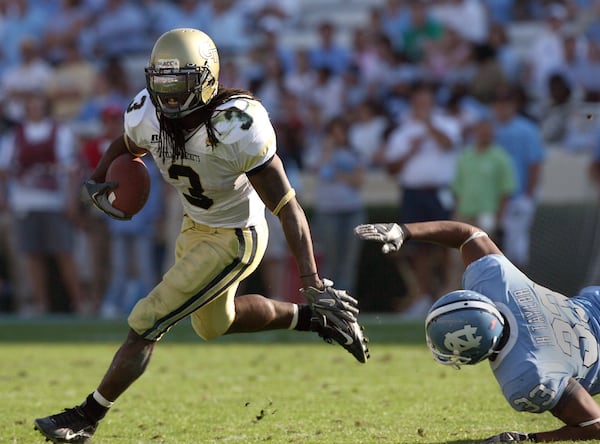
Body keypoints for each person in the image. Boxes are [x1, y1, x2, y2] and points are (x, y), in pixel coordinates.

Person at [33, 28, 369, 444]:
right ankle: (314, 320)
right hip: (194, 225)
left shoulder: (237, 125)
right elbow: (127, 144)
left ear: (206, 79)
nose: (169, 96)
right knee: (214, 324)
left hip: (236, 236)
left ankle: (86, 416)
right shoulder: (146, 113)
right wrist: (100, 177)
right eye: (162, 84)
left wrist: (311, 280)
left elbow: (286, 206)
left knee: (146, 318)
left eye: (179, 85)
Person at [355, 220, 600, 442]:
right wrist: (405, 231)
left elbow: (593, 424)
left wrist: (529, 439)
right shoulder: (494, 282)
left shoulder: (527, 375)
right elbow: (467, 234)